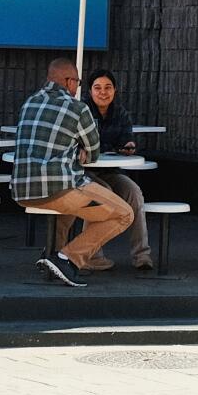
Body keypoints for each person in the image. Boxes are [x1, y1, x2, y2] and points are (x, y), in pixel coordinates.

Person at [10, 56, 132, 288]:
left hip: (21, 190)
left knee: (73, 203)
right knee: (124, 214)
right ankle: (68, 258)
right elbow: (93, 152)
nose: (77, 87)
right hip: (60, 188)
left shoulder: (29, 103)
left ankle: (53, 252)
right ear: (68, 81)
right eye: (76, 81)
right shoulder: (78, 108)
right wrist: (80, 151)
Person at [78, 69, 154, 272]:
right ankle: (90, 254)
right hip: (82, 172)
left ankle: (142, 255)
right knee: (103, 193)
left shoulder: (120, 113)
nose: (103, 92)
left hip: (110, 170)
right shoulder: (81, 111)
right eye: (97, 88)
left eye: (108, 87)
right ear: (90, 91)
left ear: (115, 90)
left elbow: (126, 139)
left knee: (134, 193)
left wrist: (128, 145)